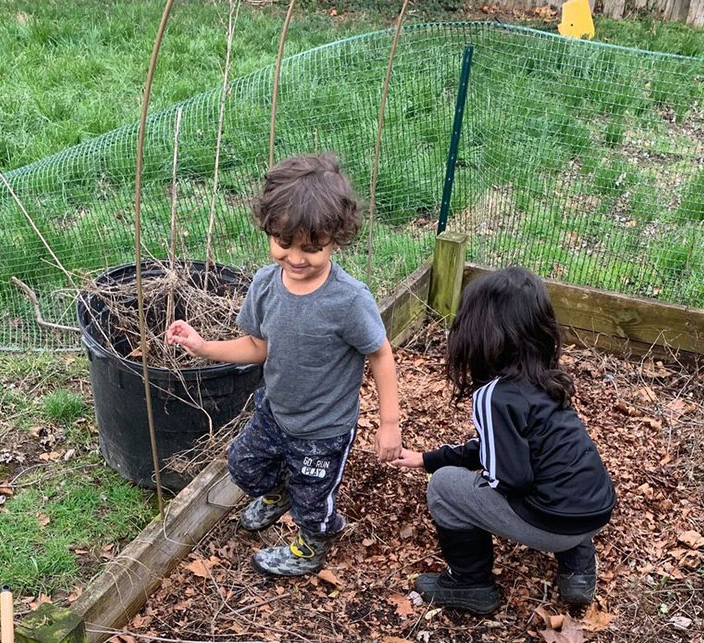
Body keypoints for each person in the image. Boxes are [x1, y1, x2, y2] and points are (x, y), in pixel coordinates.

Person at [167, 153, 402, 577]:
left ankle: (313, 543)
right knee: (243, 465)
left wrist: (389, 422)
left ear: (337, 238)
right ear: (269, 230)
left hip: (324, 431)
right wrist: (203, 347)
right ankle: (279, 494)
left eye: (312, 247)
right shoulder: (264, 284)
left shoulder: (348, 300)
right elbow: (257, 345)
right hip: (277, 411)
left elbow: (381, 352)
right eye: (284, 242)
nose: (296, 257)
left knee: (313, 499)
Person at [391, 266, 616, 613]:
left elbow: (509, 478)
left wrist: (455, 474)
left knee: (445, 487)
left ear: (481, 331)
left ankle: (470, 583)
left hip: (552, 523)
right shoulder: (545, 378)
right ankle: (578, 570)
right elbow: (510, 451)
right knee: (559, 467)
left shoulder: (493, 396)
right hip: (595, 508)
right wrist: (429, 457)